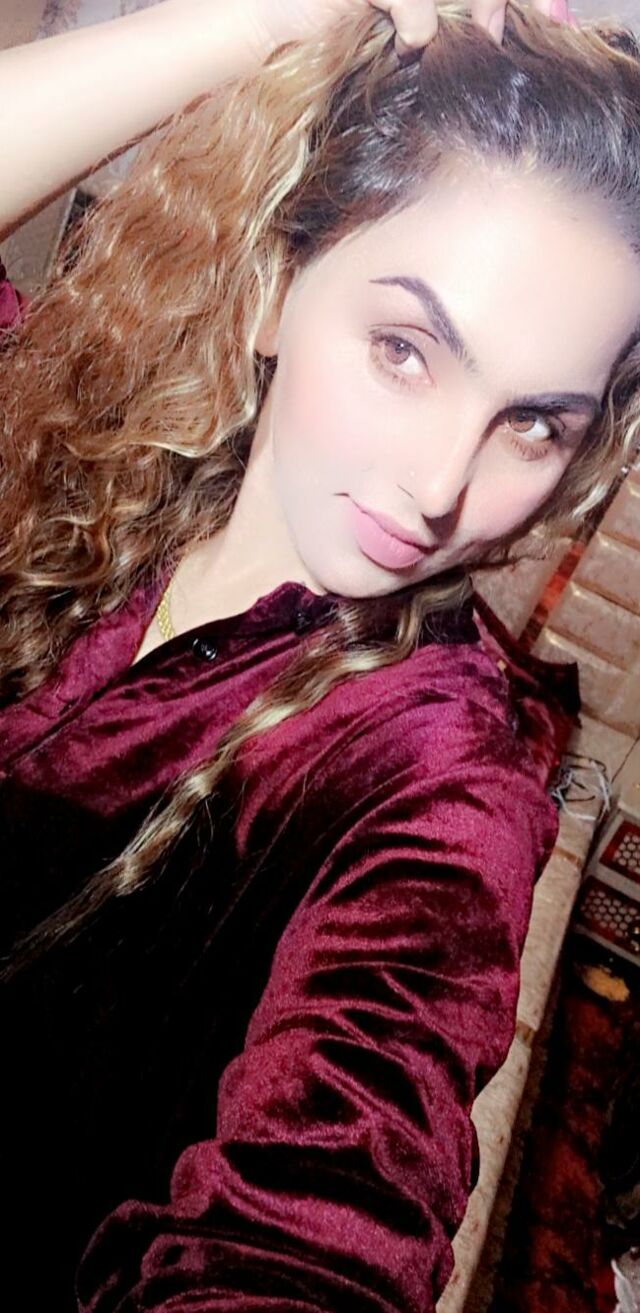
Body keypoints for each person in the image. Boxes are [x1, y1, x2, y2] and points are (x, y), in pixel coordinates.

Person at [1, 0, 637, 1309]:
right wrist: (270, 19)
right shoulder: (97, 453)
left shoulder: (440, 774)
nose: (441, 487)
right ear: (275, 288)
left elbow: (321, 1218)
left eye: (533, 423)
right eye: (406, 351)